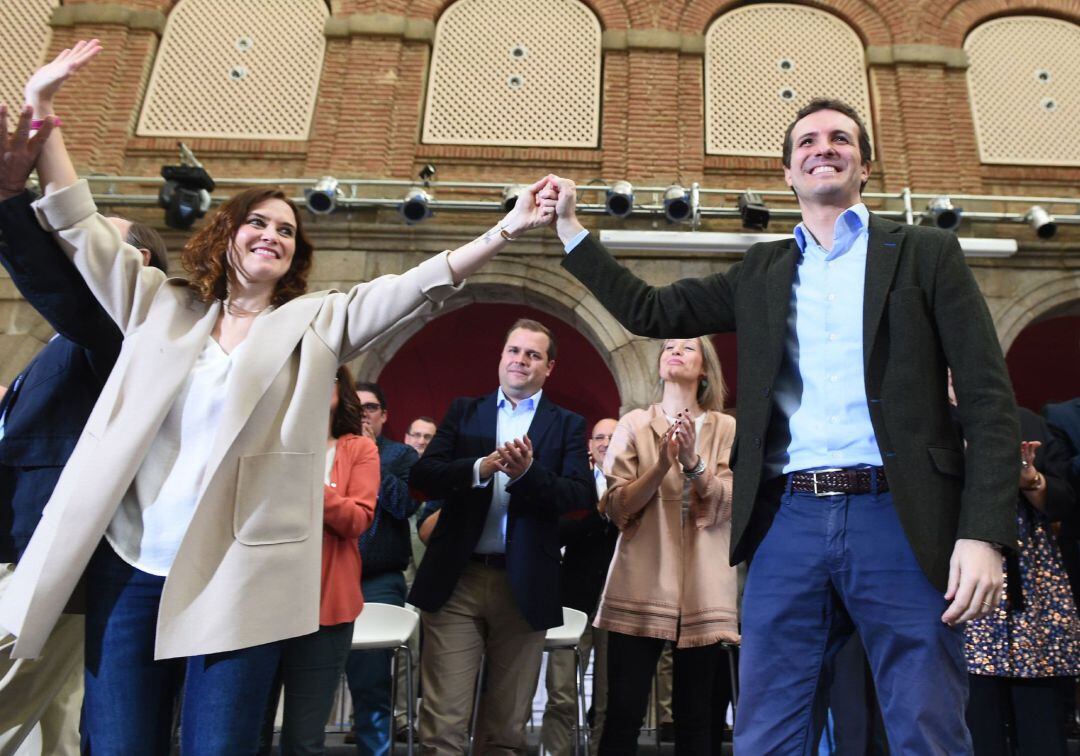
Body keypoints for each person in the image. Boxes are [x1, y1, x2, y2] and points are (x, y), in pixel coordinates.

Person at [0, 40, 558, 754]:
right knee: (116, 742)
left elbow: (417, 283)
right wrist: (44, 110)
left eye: (287, 230)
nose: (272, 234)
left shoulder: (314, 322)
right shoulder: (157, 305)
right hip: (130, 564)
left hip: (240, 571)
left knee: (221, 745)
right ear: (227, 235)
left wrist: (505, 228)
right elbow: (80, 226)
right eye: (258, 222)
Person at [548, 97, 1019, 753]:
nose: (822, 147)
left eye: (839, 138)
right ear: (788, 174)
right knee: (767, 732)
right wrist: (571, 229)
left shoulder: (926, 253)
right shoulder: (763, 271)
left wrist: (984, 533)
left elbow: (989, 399)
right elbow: (651, 308)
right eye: (807, 142)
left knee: (925, 726)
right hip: (789, 522)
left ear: (865, 165)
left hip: (903, 516)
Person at [0, 145, 167, 756]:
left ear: (137, 261)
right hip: (23, 549)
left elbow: (55, 285)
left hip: (54, 562)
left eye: (91, 242)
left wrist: (10, 202)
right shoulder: (62, 345)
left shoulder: (119, 325)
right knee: (57, 729)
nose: (73, 254)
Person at [407, 318, 595, 755]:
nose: (520, 360)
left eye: (533, 354)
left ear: (549, 367)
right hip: (459, 579)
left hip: (524, 582)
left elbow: (580, 496)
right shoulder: (464, 411)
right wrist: (480, 468)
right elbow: (423, 475)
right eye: (514, 350)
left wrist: (528, 475)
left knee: (507, 729)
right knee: (443, 723)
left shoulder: (566, 423)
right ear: (501, 356)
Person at [594, 338, 737, 754]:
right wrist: (659, 467)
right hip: (642, 573)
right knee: (623, 710)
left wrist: (693, 463)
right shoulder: (634, 423)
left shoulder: (725, 427)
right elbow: (617, 507)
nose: (675, 351)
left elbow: (727, 502)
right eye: (669, 346)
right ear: (659, 366)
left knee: (698, 715)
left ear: (705, 369)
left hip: (704, 579)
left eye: (688, 348)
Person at [259, 365, 379, 755]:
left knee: (303, 739)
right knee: (246, 732)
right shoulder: (265, 443)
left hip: (324, 606)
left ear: (339, 390)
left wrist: (305, 482)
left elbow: (357, 518)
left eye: (324, 375)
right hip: (262, 600)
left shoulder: (358, 448)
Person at [964, 407, 1080, 755]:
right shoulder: (924, 420)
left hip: (1030, 585)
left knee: (1040, 717)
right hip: (958, 581)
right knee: (974, 715)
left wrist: (1032, 480)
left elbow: (1065, 500)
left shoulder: (1029, 422)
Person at [345, 382, 419, 755]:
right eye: (355, 407)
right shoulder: (326, 449)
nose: (362, 414)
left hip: (378, 578)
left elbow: (406, 506)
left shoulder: (401, 456)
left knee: (372, 677)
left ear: (384, 415)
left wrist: (369, 454)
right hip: (324, 578)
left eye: (370, 408)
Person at [541, 417, 618, 756]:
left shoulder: (643, 483)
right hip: (573, 599)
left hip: (619, 600)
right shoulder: (574, 484)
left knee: (609, 696)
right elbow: (555, 531)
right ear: (589, 446)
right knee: (560, 691)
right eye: (598, 436)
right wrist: (597, 513)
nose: (604, 442)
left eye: (613, 436)